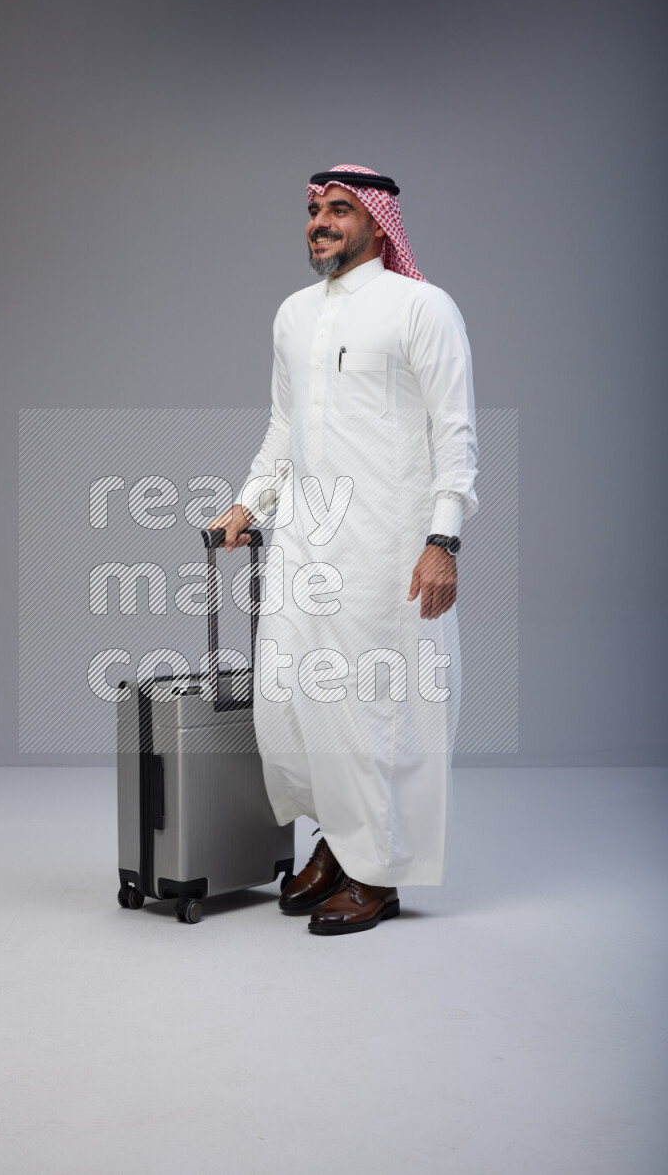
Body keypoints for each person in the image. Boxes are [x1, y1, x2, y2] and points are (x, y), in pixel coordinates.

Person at [209, 164, 478, 935]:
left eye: (338, 210)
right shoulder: (294, 314)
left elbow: (455, 434)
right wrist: (247, 503)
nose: (319, 222)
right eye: (314, 210)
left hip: (386, 542)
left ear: (377, 222)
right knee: (294, 702)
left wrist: (443, 539)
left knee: (375, 707)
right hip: (303, 538)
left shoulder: (422, 307)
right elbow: (283, 430)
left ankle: (379, 871)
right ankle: (339, 841)